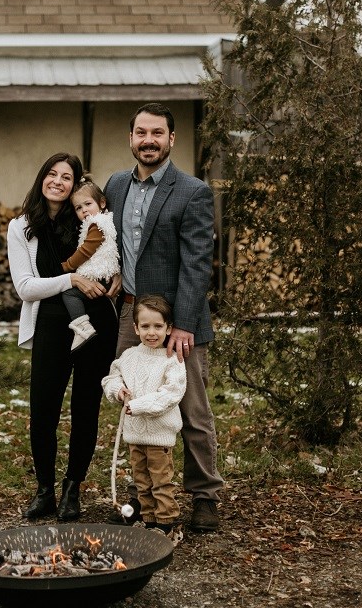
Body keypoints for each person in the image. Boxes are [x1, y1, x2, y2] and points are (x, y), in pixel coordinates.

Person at [104, 103, 225, 532]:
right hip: (130, 318)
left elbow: (198, 262)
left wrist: (185, 323)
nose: (148, 140)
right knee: (134, 403)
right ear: (131, 138)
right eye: (141, 132)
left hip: (177, 321)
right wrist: (113, 271)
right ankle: (147, 493)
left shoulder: (191, 191)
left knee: (189, 410)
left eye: (157, 133)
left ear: (172, 139)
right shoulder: (116, 185)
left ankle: (205, 495)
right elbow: (108, 240)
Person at [7, 152, 119, 522]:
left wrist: (122, 277)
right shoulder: (21, 227)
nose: (58, 181)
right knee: (43, 413)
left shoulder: (86, 219)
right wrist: (70, 279)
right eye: (52, 174)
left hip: (97, 319)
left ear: (75, 185)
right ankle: (44, 491)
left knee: (86, 408)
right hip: (51, 325)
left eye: (66, 176)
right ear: (42, 178)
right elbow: (25, 288)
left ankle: (73, 489)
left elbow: (116, 249)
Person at [102, 294, 185, 536]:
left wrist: (137, 406)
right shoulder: (129, 356)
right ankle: (149, 521)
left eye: (158, 326)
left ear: (168, 328)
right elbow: (110, 378)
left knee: (160, 482)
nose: (152, 332)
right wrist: (118, 390)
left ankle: (166, 523)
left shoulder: (172, 360)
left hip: (159, 437)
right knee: (142, 482)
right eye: (146, 326)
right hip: (134, 435)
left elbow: (171, 394)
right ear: (136, 328)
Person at [59, 179, 120, 351]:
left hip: (99, 274)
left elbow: (86, 251)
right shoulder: (101, 221)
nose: (84, 209)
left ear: (101, 203)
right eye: (78, 207)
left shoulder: (97, 225)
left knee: (69, 293)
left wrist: (67, 266)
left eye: (88, 204)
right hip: (102, 274)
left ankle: (83, 328)